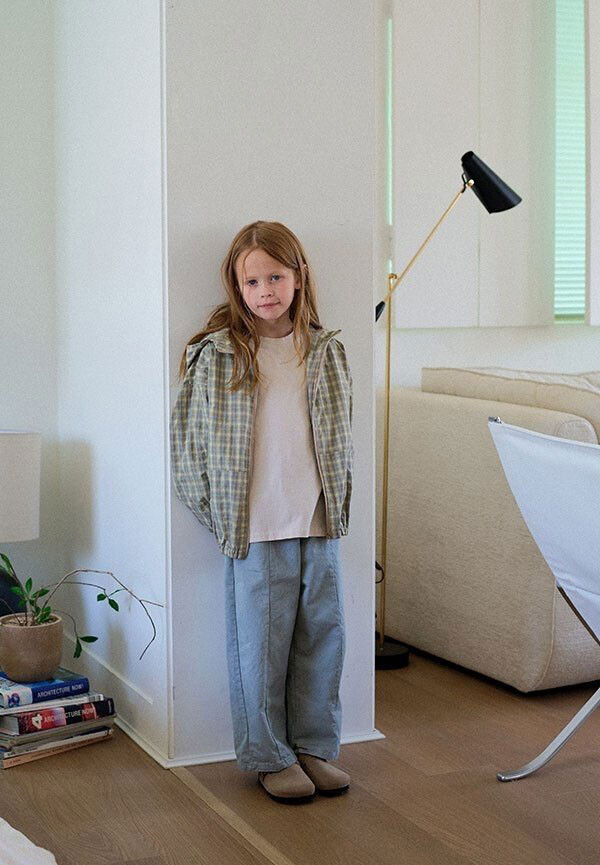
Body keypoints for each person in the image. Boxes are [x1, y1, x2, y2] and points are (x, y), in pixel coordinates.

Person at [170, 220, 353, 804]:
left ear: (298, 277)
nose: (265, 290)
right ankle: (270, 754)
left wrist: (338, 503)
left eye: (275, 277)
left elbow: (340, 435)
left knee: (323, 640)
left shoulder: (325, 351)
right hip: (257, 525)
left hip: (317, 520)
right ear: (237, 286)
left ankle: (314, 747)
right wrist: (220, 515)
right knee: (261, 647)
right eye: (252, 281)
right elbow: (187, 446)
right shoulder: (220, 355)